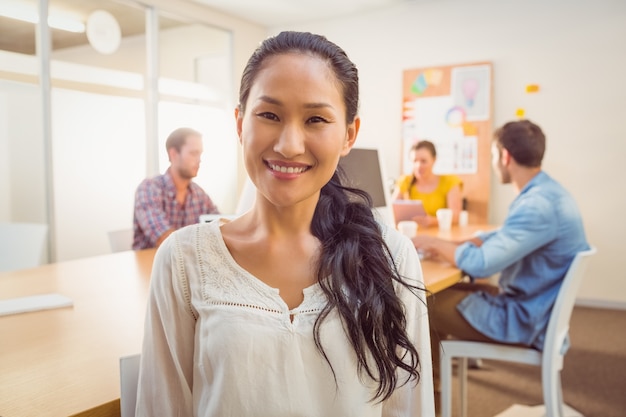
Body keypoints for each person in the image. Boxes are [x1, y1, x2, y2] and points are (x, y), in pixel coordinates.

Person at [135, 31, 435, 416]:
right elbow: (162, 408)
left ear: (348, 135)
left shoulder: (390, 254)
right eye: (270, 115)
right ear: (240, 123)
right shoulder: (183, 260)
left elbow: (408, 408)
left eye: (315, 119)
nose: (289, 144)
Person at [412, 119, 589, 391]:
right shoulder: (548, 193)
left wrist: (434, 244)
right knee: (449, 288)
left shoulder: (537, 204)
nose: (494, 163)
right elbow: (507, 234)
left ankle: (430, 399)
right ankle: (436, 386)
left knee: (420, 303)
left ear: (505, 156)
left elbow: (480, 265)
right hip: (538, 305)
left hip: (527, 318)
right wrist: (472, 240)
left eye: (494, 155)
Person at [132, 127, 219, 250]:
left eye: (200, 154)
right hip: (151, 266)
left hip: (185, 266)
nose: (199, 160)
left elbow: (221, 227)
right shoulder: (149, 188)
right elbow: (164, 238)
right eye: (194, 153)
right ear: (173, 154)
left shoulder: (199, 194)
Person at [391, 140, 463, 227]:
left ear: (434, 160)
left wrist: (433, 221)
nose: (418, 165)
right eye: (415, 161)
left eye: (423, 161)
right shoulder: (405, 181)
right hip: (411, 234)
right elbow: (391, 210)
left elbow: (456, 217)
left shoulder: (450, 181)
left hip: (440, 235)